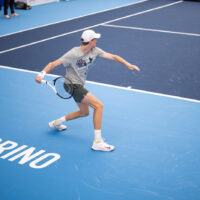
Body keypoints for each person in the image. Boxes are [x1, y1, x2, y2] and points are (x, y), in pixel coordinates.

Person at [35, 29, 140, 152]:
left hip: (79, 85)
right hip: (71, 85)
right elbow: (52, 64)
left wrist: (128, 64)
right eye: (95, 39)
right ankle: (98, 142)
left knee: (84, 113)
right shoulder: (73, 54)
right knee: (99, 106)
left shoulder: (94, 51)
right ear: (90, 41)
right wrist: (41, 75)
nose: (97, 40)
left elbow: (113, 56)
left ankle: (56, 123)